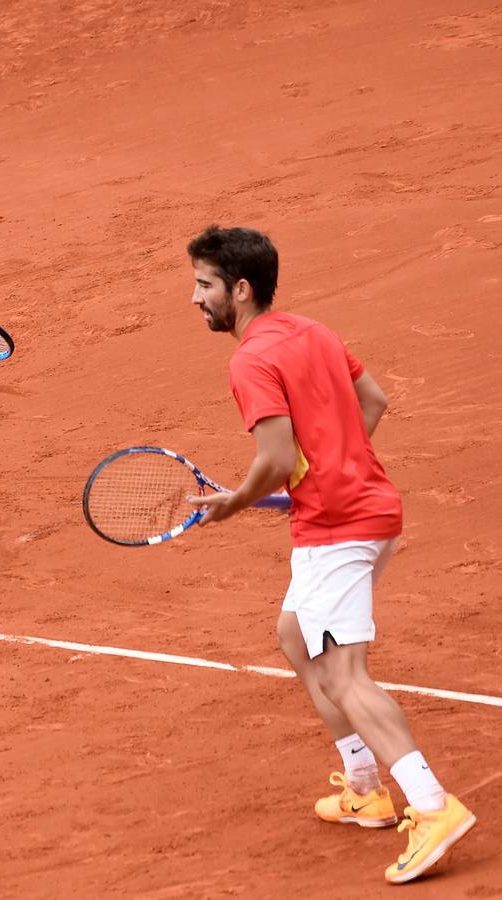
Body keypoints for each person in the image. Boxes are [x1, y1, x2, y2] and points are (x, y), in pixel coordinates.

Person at [185, 225, 475, 884]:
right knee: (294, 635)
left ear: (239, 288)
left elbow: (276, 458)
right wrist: (331, 469)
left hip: (335, 530)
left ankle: (432, 807)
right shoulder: (311, 331)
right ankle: (366, 787)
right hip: (370, 512)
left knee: (344, 673)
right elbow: (373, 400)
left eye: (203, 285)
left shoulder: (249, 361)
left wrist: (233, 502)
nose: (194, 297)